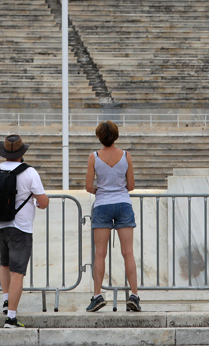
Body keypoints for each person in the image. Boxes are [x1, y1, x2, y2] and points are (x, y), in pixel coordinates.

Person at [0, 134, 49, 328]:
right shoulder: (29, 172)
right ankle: (11, 317)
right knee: (17, 272)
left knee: (4, 263)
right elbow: (43, 202)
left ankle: (5, 300)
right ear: (21, 153)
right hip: (19, 228)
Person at [84, 120, 140, 312]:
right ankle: (134, 295)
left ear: (99, 137)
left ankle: (97, 295)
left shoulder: (94, 157)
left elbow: (89, 186)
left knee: (100, 253)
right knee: (128, 252)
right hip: (123, 203)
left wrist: (103, 189)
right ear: (116, 136)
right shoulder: (126, 156)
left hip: (102, 204)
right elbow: (131, 185)